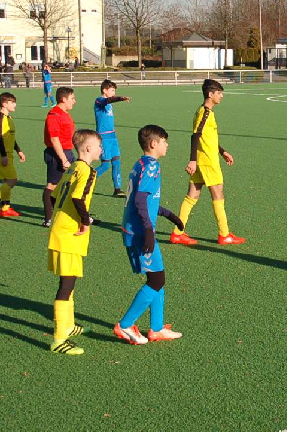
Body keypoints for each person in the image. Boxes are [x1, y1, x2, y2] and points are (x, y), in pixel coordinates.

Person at [115, 125, 186, 345]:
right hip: (140, 232)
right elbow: (139, 200)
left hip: (138, 229)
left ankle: (156, 328)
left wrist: (168, 214)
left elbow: (146, 199)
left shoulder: (140, 163)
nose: (167, 144)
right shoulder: (152, 166)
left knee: (158, 277)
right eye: (164, 141)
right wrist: (147, 230)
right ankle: (125, 325)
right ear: (154, 144)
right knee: (156, 279)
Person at [46, 129, 102, 356]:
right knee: (66, 284)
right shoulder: (87, 170)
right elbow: (78, 198)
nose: (101, 150)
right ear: (88, 148)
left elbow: (52, 196)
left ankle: (68, 324)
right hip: (70, 233)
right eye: (99, 146)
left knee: (69, 281)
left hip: (61, 229)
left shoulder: (72, 168)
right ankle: (59, 339)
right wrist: (85, 221)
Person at [170, 79, 243, 246]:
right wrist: (192, 160)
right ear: (210, 94)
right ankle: (224, 235)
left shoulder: (202, 111)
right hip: (207, 162)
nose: (221, 96)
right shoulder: (206, 113)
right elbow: (195, 135)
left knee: (192, 196)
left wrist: (222, 151)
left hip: (202, 159)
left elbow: (206, 137)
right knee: (218, 196)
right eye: (219, 93)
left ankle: (177, 233)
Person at [0, 92, 26, 218]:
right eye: (12, 102)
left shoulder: (9, 118)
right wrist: (3, 155)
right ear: (4, 104)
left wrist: (18, 150)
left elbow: (10, 137)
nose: (15, 105)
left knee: (6, 181)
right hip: (0, 154)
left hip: (8, 153)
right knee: (12, 180)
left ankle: (5, 208)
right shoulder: (0, 118)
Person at [42, 87, 77, 227]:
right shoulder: (54, 115)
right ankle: (48, 218)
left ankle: (72, 213)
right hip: (57, 154)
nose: (74, 101)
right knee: (52, 186)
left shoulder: (65, 113)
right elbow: (54, 139)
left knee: (72, 183)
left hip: (67, 152)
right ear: (63, 99)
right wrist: (63, 159)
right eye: (72, 98)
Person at [94, 80, 131, 197]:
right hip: (103, 137)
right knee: (105, 165)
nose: (114, 93)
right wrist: (120, 98)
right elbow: (107, 100)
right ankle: (86, 181)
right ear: (104, 90)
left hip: (112, 137)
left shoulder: (109, 104)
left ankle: (117, 189)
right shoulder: (99, 100)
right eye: (112, 90)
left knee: (116, 162)